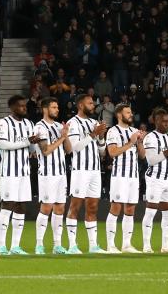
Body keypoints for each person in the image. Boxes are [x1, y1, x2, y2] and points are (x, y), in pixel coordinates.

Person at [63, 93, 108, 254]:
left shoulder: (94, 122)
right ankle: (72, 245)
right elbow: (74, 148)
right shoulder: (72, 123)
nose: (93, 106)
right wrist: (93, 134)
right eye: (90, 103)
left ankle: (93, 245)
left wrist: (101, 137)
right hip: (80, 171)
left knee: (93, 207)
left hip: (95, 171)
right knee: (75, 206)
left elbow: (102, 152)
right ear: (80, 105)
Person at [0, 95, 38, 255]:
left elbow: (31, 149)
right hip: (9, 172)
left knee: (21, 207)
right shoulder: (4, 123)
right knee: (8, 206)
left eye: (25, 106)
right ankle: (1, 246)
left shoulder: (28, 123)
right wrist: (27, 142)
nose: (24, 108)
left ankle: (15, 246)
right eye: (21, 106)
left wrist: (33, 143)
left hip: (24, 172)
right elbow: (2, 144)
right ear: (12, 108)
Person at [140, 109, 168, 254]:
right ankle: (146, 246)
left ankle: (165, 246)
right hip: (154, 179)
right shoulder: (150, 138)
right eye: (163, 121)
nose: (166, 124)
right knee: (150, 212)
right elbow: (151, 161)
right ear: (156, 121)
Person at [32, 96, 70, 254]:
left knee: (60, 207)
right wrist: (61, 137)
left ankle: (57, 245)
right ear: (45, 109)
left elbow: (68, 150)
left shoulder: (58, 126)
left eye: (57, 107)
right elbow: (46, 151)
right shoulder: (39, 127)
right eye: (54, 107)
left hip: (61, 173)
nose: (57, 110)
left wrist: (65, 135)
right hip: (47, 173)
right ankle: (39, 244)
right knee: (46, 207)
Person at [105, 102, 143, 253]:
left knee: (130, 209)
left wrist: (139, 142)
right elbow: (112, 152)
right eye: (128, 113)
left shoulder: (134, 131)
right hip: (119, 176)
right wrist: (131, 142)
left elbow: (142, 155)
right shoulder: (113, 131)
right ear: (119, 115)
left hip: (133, 176)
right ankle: (110, 245)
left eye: (131, 112)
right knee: (116, 207)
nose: (131, 115)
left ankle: (126, 244)